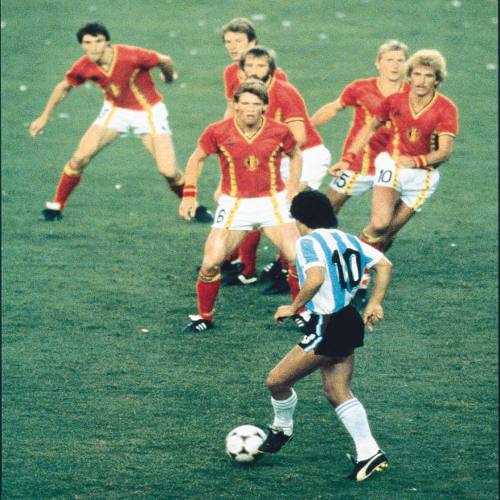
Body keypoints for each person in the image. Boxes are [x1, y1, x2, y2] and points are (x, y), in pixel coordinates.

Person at [257, 190, 393, 482]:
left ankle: (282, 429)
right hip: (349, 319)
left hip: (328, 324)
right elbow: (384, 264)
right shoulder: (347, 238)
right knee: (336, 391)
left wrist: (293, 307)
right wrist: (374, 302)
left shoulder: (307, 243)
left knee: (277, 381)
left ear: (298, 218)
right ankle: (370, 453)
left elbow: (316, 278)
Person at [29, 22, 212, 223]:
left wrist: (168, 77)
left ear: (107, 42)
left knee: (168, 171)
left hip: (148, 112)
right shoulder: (84, 65)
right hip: (115, 110)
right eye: (87, 43)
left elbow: (164, 60)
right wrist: (44, 116)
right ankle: (55, 207)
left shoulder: (131, 56)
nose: (93, 47)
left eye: (98, 41)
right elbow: (64, 86)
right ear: (82, 45)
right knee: (80, 158)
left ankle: (194, 206)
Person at [179, 80, 304, 332]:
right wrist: (189, 194)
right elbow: (197, 158)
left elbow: (296, 155)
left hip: (272, 203)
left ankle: (301, 312)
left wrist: (292, 187)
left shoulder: (279, 131)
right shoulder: (217, 131)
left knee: (296, 258)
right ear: (235, 105)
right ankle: (204, 317)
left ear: (264, 107)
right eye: (244, 103)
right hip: (234, 204)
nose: (249, 108)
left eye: (256, 104)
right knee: (211, 261)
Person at [330, 49, 458, 254]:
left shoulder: (446, 108)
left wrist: (415, 161)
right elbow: (371, 127)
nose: (421, 81)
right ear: (409, 76)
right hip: (391, 165)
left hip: (423, 176)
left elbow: (444, 152)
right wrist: (348, 158)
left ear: (437, 80)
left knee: (387, 234)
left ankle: (360, 263)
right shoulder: (394, 101)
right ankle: (355, 273)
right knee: (379, 223)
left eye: (428, 76)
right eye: (417, 74)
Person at [226, 47, 331, 296]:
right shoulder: (245, 93)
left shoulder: (284, 92)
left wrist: (263, 143)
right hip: (278, 157)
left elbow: (301, 137)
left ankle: (291, 271)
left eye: (260, 66)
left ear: (271, 69)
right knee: (260, 207)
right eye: (249, 66)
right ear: (241, 69)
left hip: (307, 156)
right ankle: (248, 268)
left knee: (288, 212)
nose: (254, 71)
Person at [312, 40, 409, 214]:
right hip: (357, 163)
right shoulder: (361, 88)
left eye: (400, 61)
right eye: (389, 60)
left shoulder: (413, 94)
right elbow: (334, 107)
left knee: (385, 221)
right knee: (324, 210)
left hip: (394, 167)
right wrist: (308, 128)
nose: (395, 65)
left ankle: (374, 242)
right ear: (378, 63)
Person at [221, 18, 288, 119]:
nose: (232, 47)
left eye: (238, 41)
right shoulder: (230, 72)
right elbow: (231, 110)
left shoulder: (275, 75)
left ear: (252, 43)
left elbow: (281, 114)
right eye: (228, 42)